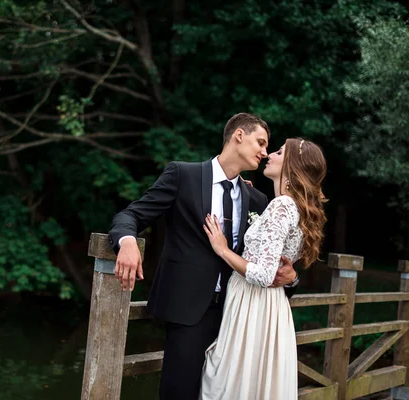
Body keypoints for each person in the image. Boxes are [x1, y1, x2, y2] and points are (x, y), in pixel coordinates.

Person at [108, 113, 299, 400]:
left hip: (239, 316)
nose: (264, 152)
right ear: (238, 136)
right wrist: (127, 242)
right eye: (260, 142)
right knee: (179, 393)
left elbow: (274, 259)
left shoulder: (259, 201)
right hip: (188, 312)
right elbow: (131, 214)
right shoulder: (183, 175)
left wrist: (293, 279)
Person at [199, 138, 327, 399]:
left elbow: (263, 274)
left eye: (279, 152)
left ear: (292, 165)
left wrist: (222, 249)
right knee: (253, 381)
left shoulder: (282, 206)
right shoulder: (292, 206)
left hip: (253, 303)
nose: (270, 154)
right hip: (270, 306)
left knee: (231, 380)